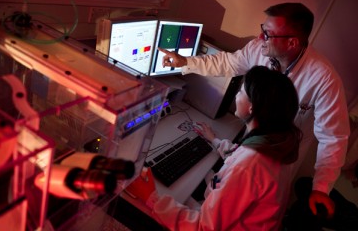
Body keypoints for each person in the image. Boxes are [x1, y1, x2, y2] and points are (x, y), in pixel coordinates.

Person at [158, 2, 350, 217]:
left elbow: (333, 137)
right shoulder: (259, 49)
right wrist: (186, 62)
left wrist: (321, 188)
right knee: (225, 196)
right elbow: (228, 63)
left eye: (267, 34)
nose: (259, 39)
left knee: (241, 208)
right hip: (250, 145)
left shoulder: (324, 78)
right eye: (262, 29)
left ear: (292, 42)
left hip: (279, 159)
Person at [126, 66, 302, 230]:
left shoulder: (249, 166)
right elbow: (239, 157)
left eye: (240, 91)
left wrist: (151, 198)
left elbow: (204, 227)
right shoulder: (277, 144)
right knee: (182, 196)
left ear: (251, 107)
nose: (236, 96)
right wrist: (215, 140)